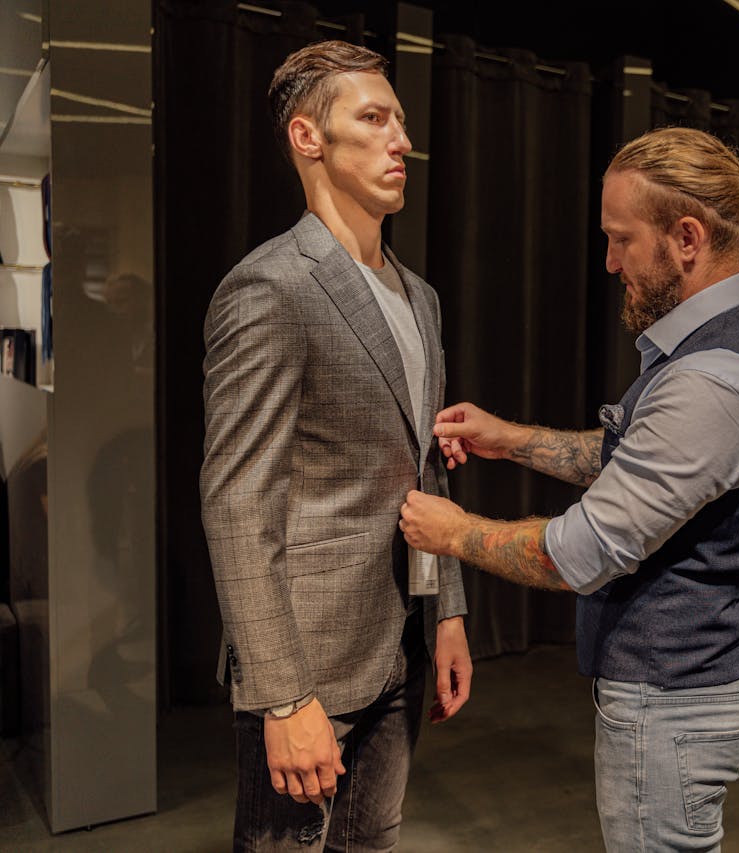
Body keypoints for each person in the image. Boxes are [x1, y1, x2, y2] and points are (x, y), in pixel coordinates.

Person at [399, 126, 739, 851]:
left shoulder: (709, 383)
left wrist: (453, 530)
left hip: (673, 699)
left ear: (686, 237)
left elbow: (577, 552)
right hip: (707, 677)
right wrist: (510, 439)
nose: (611, 261)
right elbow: (642, 464)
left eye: (622, 239)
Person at [200, 41, 470, 851]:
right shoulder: (270, 287)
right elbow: (237, 500)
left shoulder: (417, 296)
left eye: (403, 123)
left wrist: (448, 612)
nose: (401, 141)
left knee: (374, 842)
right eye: (375, 118)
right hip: (307, 662)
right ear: (308, 138)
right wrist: (281, 697)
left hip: (400, 646)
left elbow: (424, 470)